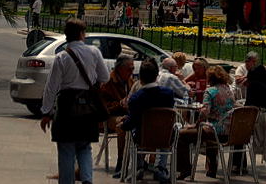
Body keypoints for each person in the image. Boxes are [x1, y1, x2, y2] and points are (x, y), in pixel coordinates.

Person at [40, 18, 110, 184]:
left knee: (66, 149)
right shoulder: (94, 52)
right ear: (81, 34)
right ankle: (87, 179)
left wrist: (46, 112)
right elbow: (105, 77)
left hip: (66, 106)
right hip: (87, 107)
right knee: (85, 147)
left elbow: (51, 87)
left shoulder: (61, 57)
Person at [175, 66, 234, 180]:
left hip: (215, 131)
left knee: (182, 135)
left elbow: (204, 112)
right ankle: (212, 169)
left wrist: (196, 124)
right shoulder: (228, 90)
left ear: (210, 78)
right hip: (229, 130)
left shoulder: (210, 91)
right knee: (208, 130)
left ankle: (184, 168)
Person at [123, 59, 177, 181]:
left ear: (140, 78)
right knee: (167, 132)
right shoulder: (168, 94)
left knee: (132, 132)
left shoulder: (136, 98)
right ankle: (161, 167)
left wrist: (123, 124)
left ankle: (139, 166)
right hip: (164, 135)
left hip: (143, 136)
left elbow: (132, 121)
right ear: (157, 76)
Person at [100, 54, 136, 171]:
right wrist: (120, 104)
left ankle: (141, 160)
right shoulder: (107, 82)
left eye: (133, 69)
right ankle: (121, 161)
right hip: (109, 117)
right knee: (122, 124)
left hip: (127, 114)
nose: (132, 72)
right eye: (129, 69)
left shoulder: (130, 81)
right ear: (120, 69)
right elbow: (103, 107)